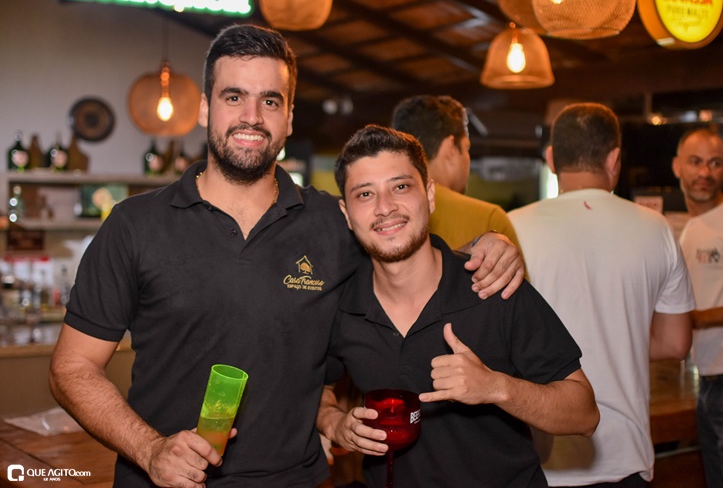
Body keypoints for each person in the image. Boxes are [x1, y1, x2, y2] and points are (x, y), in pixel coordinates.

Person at [48, 24, 524, 488]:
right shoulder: (135, 225)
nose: (252, 116)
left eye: (270, 101)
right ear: (205, 108)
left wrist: (484, 247)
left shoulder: (333, 223)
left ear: (290, 117)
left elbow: (409, 263)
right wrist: (150, 450)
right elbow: (72, 369)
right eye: (234, 97)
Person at [316, 124, 599, 488]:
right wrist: (334, 423)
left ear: (429, 194)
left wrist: (496, 387)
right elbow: (316, 388)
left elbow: (584, 413)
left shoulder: (493, 286)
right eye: (365, 194)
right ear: (346, 213)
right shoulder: (341, 307)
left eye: (400, 187)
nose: (385, 207)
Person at [509, 102, 695, 487]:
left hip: (543, 457)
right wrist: (615, 337)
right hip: (625, 453)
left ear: (551, 159)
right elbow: (676, 343)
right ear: (614, 160)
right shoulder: (657, 228)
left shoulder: (510, 230)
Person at [672, 125, 723, 488]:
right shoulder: (689, 228)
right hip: (709, 381)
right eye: (696, 162)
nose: (705, 172)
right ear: (677, 166)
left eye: (715, 163)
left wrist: (694, 319)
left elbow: (695, 313)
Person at [391, 95, 523, 252]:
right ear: (450, 148)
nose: (468, 159)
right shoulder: (489, 220)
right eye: (467, 148)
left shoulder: (381, 213)